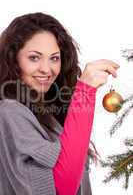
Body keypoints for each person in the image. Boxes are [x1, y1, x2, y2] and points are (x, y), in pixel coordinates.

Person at [0, 12, 119, 195]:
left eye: (54, 58)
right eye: (34, 57)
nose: (47, 69)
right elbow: (60, 189)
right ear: (13, 59)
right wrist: (84, 92)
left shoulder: (47, 112)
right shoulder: (9, 112)